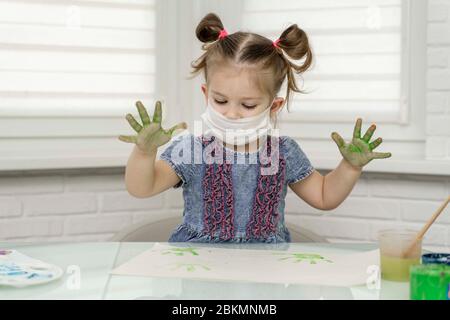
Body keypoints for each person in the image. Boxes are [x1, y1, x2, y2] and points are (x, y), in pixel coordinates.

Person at [119, 13, 392, 243]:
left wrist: (350, 167)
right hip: (200, 267)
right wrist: (144, 152)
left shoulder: (283, 152)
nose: (233, 113)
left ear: (274, 106)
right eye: (220, 100)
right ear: (206, 93)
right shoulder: (191, 149)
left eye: (248, 105)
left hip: (266, 268)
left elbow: (323, 196)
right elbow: (142, 188)